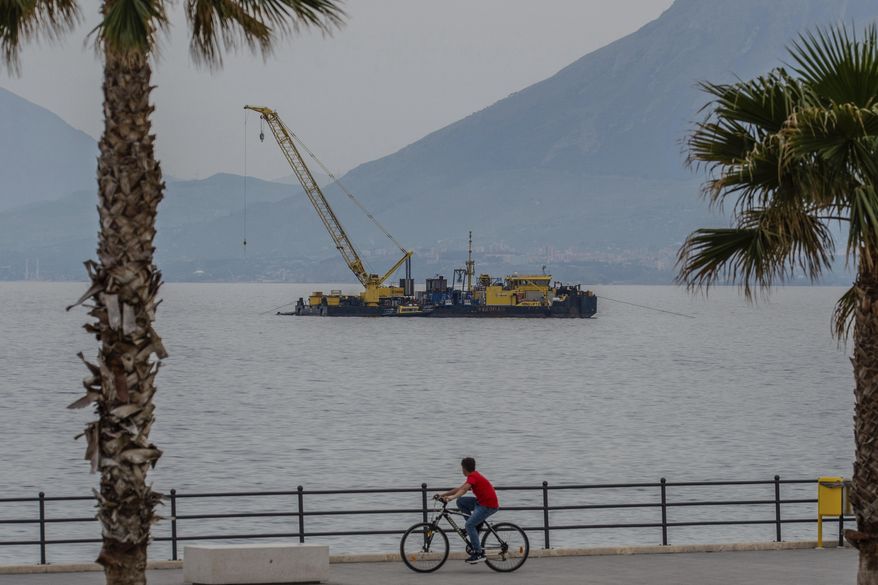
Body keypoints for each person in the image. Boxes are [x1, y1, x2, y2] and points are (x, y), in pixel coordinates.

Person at [437, 457, 499, 564]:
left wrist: (451, 498)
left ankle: (479, 553)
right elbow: (460, 489)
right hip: (481, 502)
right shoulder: (473, 476)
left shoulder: (473, 477)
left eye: (462, 468)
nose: (461, 470)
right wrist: (442, 495)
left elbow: (464, 490)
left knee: (469, 525)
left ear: (464, 468)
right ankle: (474, 525)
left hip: (488, 505)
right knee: (461, 502)